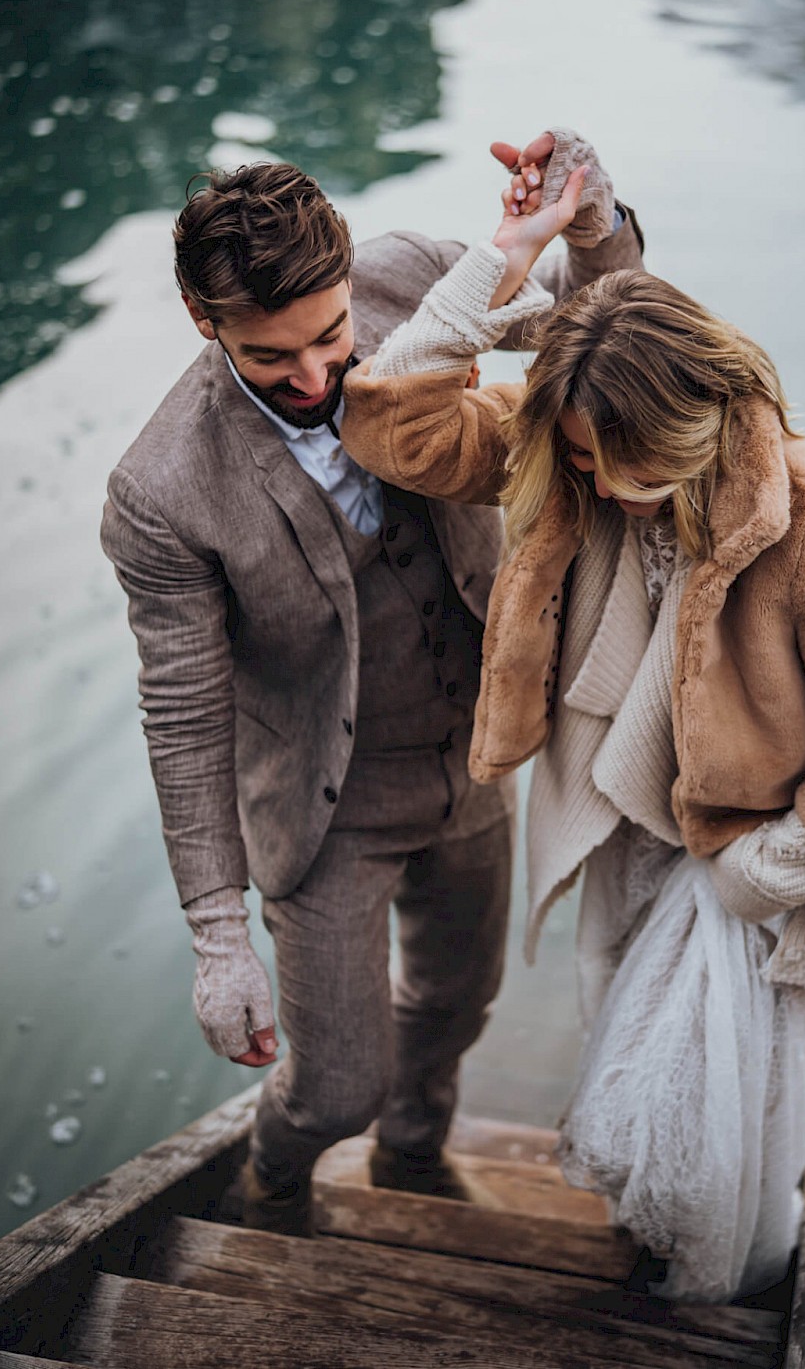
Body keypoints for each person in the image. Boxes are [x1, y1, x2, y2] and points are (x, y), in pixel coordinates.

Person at [339, 159, 805, 1298]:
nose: (613, 488)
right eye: (587, 459)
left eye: (639, 462)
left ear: (707, 414)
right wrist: (506, 258)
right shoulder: (560, 456)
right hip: (618, 828)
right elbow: (389, 419)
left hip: (755, 862)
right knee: (630, 1059)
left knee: (760, 1104)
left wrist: (768, 867)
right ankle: (651, 1243)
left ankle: (740, 1280)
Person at [100, 128, 646, 1233]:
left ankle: (412, 1156)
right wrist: (217, 932)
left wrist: (595, 218)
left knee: (454, 1005)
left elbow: (606, 324)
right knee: (334, 1082)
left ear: (352, 278)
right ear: (208, 327)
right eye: (272, 360)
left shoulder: (407, 272)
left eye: (331, 337)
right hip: (324, 810)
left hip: (473, 758)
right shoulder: (159, 492)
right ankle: (277, 1179)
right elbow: (184, 713)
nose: (316, 377)